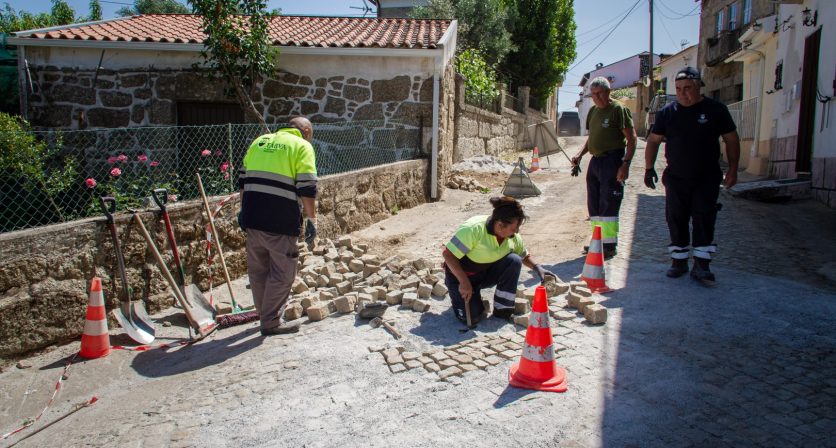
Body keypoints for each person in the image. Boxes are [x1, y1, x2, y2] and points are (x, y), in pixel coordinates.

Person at [643, 67, 740, 286]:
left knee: (704, 217)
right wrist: (649, 168)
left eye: (687, 89)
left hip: (706, 177)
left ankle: (702, 264)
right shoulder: (668, 113)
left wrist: (732, 169)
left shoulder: (716, 110)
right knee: (675, 217)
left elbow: (731, 139)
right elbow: (654, 141)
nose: (682, 93)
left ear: (698, 87)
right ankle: (678, 261)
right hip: (676, 178)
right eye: (678, 89)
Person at [238, 117, 318, 335]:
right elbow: (307, 187)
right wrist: (311, 220)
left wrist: (242, 210)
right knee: (283, 273)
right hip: (280, 219)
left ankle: (264, 315)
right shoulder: (302, 146)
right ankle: (271, 321)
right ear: (307, 131)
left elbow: (242, 179)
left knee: (258, 270)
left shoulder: (260, 141)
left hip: (252, 217)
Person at [442, 196, 549, 324]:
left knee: (514, 260)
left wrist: (537, 268)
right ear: (499, 225)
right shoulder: (473, 229)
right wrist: (463, 282)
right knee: (472, 318)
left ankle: (503, 310)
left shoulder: (512, 237)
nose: (516, 232)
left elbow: (523, 255)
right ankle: (464, 296)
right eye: (513, 229)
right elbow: (448, 255)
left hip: (484, 274)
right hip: (460, 277)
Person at [571, 76, 637, 259]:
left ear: (608, 92)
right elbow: (592, 139)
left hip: (613, 160)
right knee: (594, 204)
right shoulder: (593, 111)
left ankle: (609, 246)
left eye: (600, 93)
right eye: (593, 94)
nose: (596, 97)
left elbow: (631, 138)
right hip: (596, 161)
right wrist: (579, 155)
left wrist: (626, 164)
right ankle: (597, 241)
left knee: (609, 203)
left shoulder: (618, 110)